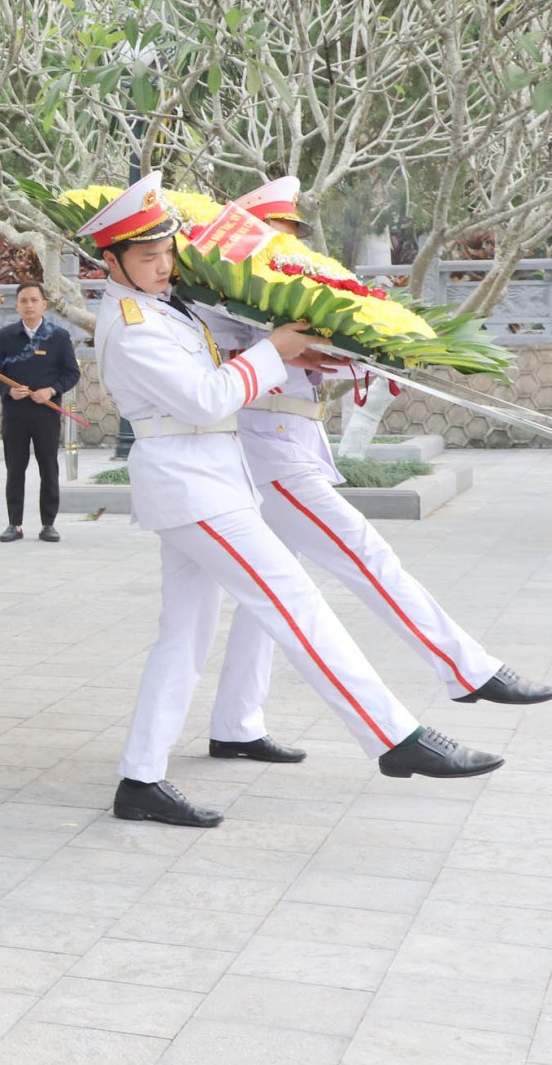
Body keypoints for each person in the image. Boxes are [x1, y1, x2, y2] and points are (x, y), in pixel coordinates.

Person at [80, 175, 503, 829]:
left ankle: (140, 777)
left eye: (165, 251)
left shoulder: (167, 306)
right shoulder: (133, 325)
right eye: (145, 257)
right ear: (109, 262)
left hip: (207, 482)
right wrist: (275, 350)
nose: (163, 265)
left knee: (183, 636)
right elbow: (208, 399)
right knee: (293, 600)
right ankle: (394, 736)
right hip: (193, 489)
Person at [200, 179, 552, 765]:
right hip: (268, 455)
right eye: (277, 237)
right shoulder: (223, 300)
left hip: (288, 448)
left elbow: (301, 363)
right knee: (366, 554)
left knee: (265, 599)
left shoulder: (272, 298)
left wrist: (381, 346)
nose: (286, 251)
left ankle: (236, 723)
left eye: (291, 239)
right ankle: (468, 669)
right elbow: (251, 367)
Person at [0, 282, 80, 543]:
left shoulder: (58, 337)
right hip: (15, 414)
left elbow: (72, 372)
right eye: (24, 300)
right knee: (15, 469)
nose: (29, 305)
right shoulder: (5, 336)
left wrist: (51, 391)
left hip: (46, 415)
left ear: (44, 305)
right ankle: (14, 524)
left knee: (48, 468)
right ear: (17, 305)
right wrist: (7, 390)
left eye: (34, 300)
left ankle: (48, 524)